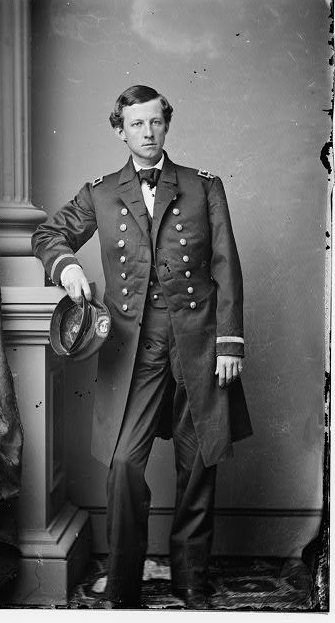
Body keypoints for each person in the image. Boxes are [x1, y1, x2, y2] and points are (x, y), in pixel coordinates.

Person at [32, 85, 252, 609]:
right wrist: (66, 267)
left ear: (166, 125)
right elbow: (48, 236)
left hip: (199, 340)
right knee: (125, 463)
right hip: (134, 345)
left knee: (198, 463)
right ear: (119, 130)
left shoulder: (204, 186)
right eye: (136, 124)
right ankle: (124, 583)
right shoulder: (101, 193)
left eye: (155, 122)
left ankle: (191, 579)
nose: (148, 133)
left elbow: (226, 264)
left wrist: (229, 342)